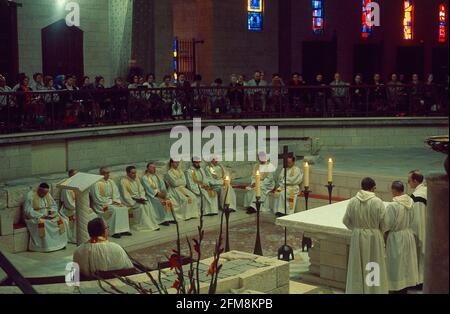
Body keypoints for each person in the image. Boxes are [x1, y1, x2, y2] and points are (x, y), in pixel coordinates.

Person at [343, 177, 388, 294]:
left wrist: (357, 229)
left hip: (357, 237)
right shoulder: (377, 202)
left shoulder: (353, 201)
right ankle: (373, 291)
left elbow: (346, 221)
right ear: (373, 188)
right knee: (373, 264)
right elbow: (385, 223)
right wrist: (378, 231)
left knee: (357, 266)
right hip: (373, 237)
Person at [382, 181, 419, 293]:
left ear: (394, 190)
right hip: (407, 235)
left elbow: (386, 224)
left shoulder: (393, 205)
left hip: (396, 237)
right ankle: (404, 289)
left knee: (395, 266)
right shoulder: (411, 201)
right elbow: (413, 219)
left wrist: (384, 235)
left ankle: (395, 289)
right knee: (406, 265)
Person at [24, 183, 68, 252]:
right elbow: (27, 211)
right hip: (35, 217)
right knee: (44, 223)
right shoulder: (30, 195)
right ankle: (45, 246)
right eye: (43, 193)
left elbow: (54, 206)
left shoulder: (47, 194)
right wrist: (41, 215)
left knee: (60, 220)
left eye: (46, 193)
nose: (44, 195)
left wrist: (52, 212)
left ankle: (59, 244)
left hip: (48, 216)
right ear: (39, 190)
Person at [90, 167, 132, 239]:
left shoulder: (111, 182)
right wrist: (110, 202)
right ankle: (114, 231)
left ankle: (123, 230)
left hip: (112, 202)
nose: (108, 175)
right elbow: (97, 198)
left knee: (124, 208)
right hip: (101, 205)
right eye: (106, 173)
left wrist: (115, 201)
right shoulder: (96, 184)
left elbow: (116, 193)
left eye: (108, 173)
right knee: (115, 210)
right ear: (102, 174)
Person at [59, 169, 97, 243]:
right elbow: (68, 203)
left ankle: (90, 235)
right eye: (74, 175)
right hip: (70, 210)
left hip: (80, 206)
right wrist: (80, 207)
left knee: (93, 215)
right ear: (70, 176)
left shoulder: (80, 184)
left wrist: (85, 207)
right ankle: (76, 238)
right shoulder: (66, 188)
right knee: (81, 215)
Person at [119, 166, 160, 231]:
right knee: (141, 207)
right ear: (128, 173)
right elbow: (125, 195)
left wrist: (142, 197)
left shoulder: (137, 179)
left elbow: (141, 190)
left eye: (135, 173)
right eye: (133, 173)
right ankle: (144, 225)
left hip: (140, 199)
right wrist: (135, 201)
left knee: (147, 204)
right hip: (131, 201)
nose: (135, 174)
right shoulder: (123, 181)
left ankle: (152, 224)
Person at [408, 170, 427, 287]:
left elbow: (418, 220)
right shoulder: (426, 191)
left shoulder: (418, 197)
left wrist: (417, 236)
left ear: (415, 181)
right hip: (429, 229)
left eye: (409, 181)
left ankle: (419, 282)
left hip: (421, 231)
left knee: (419, 256)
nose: (408, 183)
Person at [141, 162, 175, 226]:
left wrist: (164, 192)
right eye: (152, 167)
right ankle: (162, 219)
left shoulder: (157, 176)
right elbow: (148, 188)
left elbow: (162, 185)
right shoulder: (144, 178)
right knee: (159, 202)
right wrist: (157, 194)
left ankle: (170, 218)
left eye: (154, 167)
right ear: (148, 168)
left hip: (160, 193)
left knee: (168, 200)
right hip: (152, 195)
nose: (154, 168)